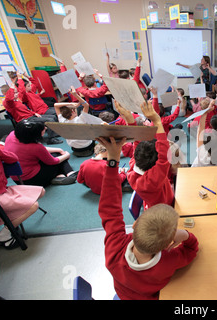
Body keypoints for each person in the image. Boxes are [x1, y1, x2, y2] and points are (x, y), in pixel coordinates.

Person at [96, 135, 198, 300]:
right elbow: (192, 250)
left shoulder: (114, 248)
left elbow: (109, 206)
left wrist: (113, 160)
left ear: (136, 224)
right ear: (167, 245)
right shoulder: (167, 263)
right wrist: (186, 235)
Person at [126, 101, 174, 209]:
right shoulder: (152, 179)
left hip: (158, 201)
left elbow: (136, 143)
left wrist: (130, 120)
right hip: (164, 209)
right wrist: (157, 120)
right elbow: (164, 155)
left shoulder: (134, 167)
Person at [0, 145, 45, 249]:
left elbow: (13, 158)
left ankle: (11, 220)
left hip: (4, 191)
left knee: (41, 191)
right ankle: (3, 235)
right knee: (33, 206)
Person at [4, 120, 77, 187]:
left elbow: (39, 151)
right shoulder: (35, 147)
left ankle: (60, 176)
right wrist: (66, 155)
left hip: (19, 179)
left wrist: (58, 149)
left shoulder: (13, 135)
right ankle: (69, 172)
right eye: (43, 130)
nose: (45, 128)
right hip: (32, 180)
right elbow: (53, 161)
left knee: (55, 153)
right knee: (58, 156)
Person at [53, 87, 104, 157]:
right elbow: (86, 105)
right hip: (87, 147)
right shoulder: (81, 119)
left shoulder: (62, 120)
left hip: (75, 149)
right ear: (73, 111)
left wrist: (70, 104)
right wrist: (75, 95)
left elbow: (55, 105)